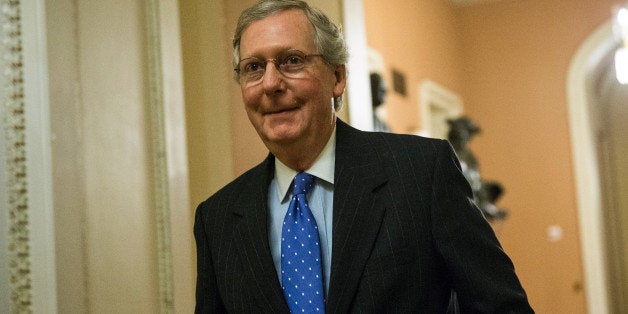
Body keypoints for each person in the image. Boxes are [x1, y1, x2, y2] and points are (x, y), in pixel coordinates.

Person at [194, 0, 534, 313]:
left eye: (292, 61)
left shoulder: (421, 173)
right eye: (253, 67)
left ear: (338, 77)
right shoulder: (218, 219)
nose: (270, 83)